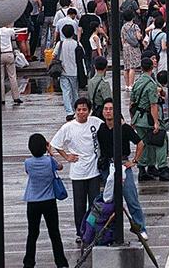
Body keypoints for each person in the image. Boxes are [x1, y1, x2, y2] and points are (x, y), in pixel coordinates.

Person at [49, 97, 104, 244]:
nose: (81, 112)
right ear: (75, 111)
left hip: (94, 171)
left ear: (89, 111)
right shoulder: (68, 127)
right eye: (79, 110)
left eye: (84, 109)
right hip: (78, 173)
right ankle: (80, 232)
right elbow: (55, 144)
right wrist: (66, 156)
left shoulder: (96, 123)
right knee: (79, 205)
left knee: (94, 203)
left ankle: (94, 229)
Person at [96, 99, 147, 239]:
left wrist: (134, 161)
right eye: (105, 109)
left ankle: (141, 228)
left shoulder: (124, 128)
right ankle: (109, 230)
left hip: (123, 166)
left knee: (131, 199)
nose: (108, 111)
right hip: (108, 167)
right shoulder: (101, 129)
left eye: (111, 109)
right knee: (108, 201)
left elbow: (140, 143)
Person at [22, 133, 69, 268]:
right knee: (54, 232)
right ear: (44, 147)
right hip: (49, 201)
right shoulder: (50, 161)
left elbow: (27, 172)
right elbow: (60, 167)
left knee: (32, 233)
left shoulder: (28, 163)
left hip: (33, 201)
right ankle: (61, 262)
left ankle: (29, 262)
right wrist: (50, 152)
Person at [130, 57, 169, 182]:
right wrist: (156, 122)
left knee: (144, 143)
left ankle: (143, 169)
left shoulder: (137, 82)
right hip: (149, 118)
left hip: (139, 118)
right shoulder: (151, 84)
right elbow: (153, 105)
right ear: (152, 67)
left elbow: (132, 103)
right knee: (160, 142)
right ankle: (162, 168)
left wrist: (133, 119)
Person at [54, 24, 85, 120]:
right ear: (73, 33)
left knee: (66, 92)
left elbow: (54, 55)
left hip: (63, 71)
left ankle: (69, 112)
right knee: (75, 91)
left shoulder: (60, 44)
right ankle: (76, 110)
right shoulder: (77, 43)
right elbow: (82, 55)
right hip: (74, 71)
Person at [0, 25, 23, 105]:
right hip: (9, 54)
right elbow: (14, 37)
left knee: (1, 78)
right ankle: (16, 97)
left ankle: (1, 98)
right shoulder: (9, 31)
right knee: (12, 76)